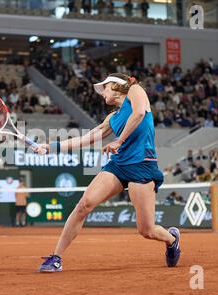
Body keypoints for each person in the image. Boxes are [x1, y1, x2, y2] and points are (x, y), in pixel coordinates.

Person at [35, 73, 181, 272]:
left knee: (146, 230)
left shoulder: (135, 91)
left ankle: (171, 239)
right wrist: (51, 147)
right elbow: (86, 139)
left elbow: (138, 114)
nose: (102, 93)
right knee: (83, 205)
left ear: (115, 85)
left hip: (142, 166)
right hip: (118, 165)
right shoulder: (113, 117)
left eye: (105, 87)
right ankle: (56, 258)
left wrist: (119, 141)